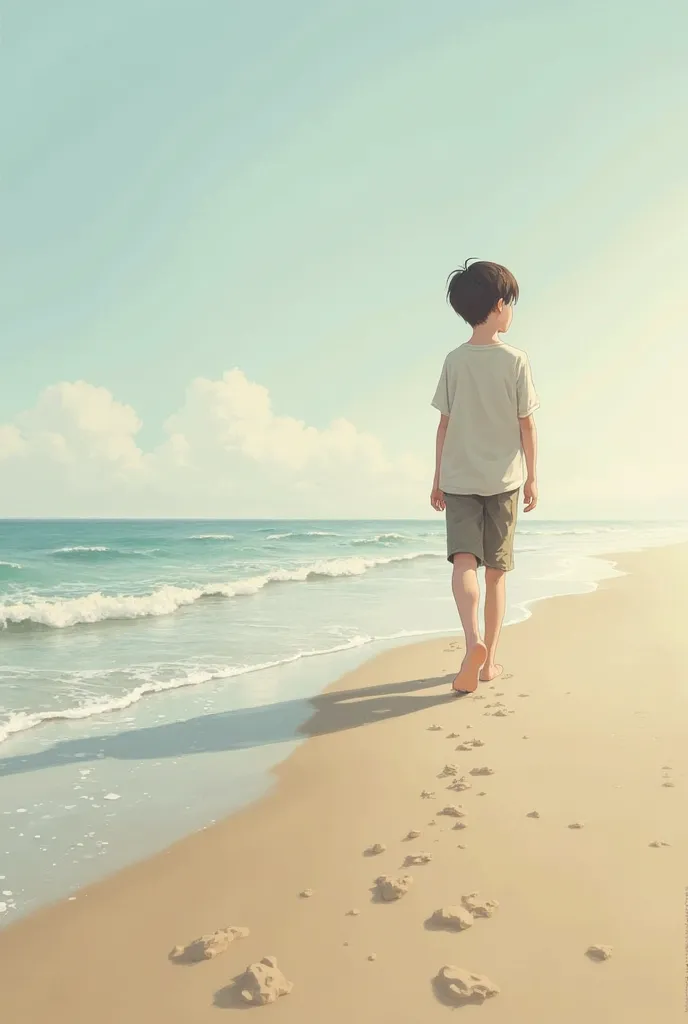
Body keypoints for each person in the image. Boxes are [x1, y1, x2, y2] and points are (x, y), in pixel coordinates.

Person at [430, 259, 539, 694]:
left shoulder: (454, 360)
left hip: (458, 479)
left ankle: (471, 642)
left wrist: (437, 479)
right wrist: (532, 478)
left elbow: (444, 424)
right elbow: (526, 423)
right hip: (505, 480)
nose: (511, 311)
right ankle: (489, 662)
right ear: (497, 306)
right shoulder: (516, 360)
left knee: (464, 564)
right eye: (509, 303)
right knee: (497, 572)